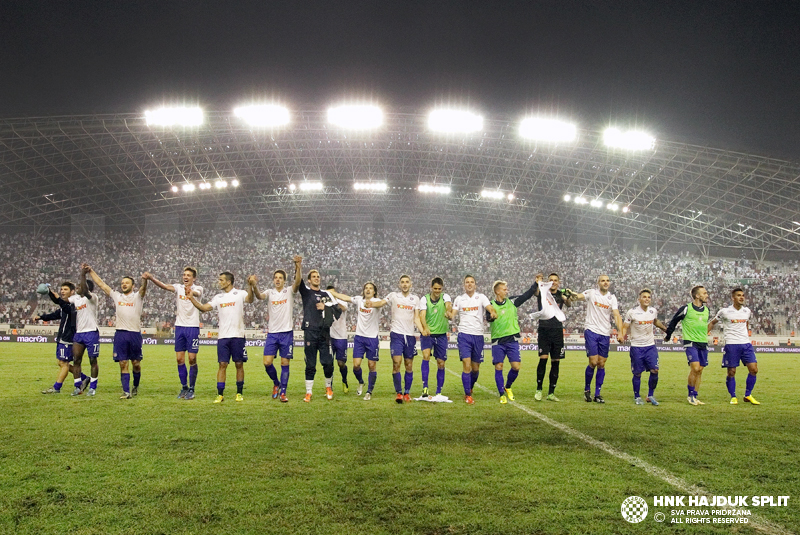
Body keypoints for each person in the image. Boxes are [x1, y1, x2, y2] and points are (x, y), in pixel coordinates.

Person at [186, 272, 254, 403]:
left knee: (239, 364)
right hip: (223, 337)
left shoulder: (240, 293)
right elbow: (204, 308)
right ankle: (220, 394)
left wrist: (250, 286)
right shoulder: (218, 297)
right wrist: (191, 299)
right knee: (222, 364)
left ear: (228, 282)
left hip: (238, 336)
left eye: (221, 280)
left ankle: (239, 393)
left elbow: (250, 299)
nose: (219, 282)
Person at [87, 266, 148, 399]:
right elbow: (102, 285)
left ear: (132, 285)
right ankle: (126, 392)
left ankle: (135, 386)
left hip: (134, 334)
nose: (124, 284)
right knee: (123, 363)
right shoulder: (117, 296)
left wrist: (144, 280)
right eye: (122, 283)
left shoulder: (137, 297)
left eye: (126, 282)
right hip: (120, 334)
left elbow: (143, 289)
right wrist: (91, 271)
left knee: (136, 364)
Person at [144, 267, 204, 400]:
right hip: (180, 327)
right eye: (184, 274)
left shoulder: (198, 288)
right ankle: (184, 387)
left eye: (188, 275)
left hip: (192, 327)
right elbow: (165, 286)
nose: (185, 277)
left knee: (192, 359)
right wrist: (151, 278)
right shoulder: (178, 288)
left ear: (194, 278)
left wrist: (191, 292)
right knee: (179, 359)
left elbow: (197, 294)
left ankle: (192, 388)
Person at [250, 257, 302, 403]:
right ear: (273, 280)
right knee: (267, 362)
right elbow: (259, 296)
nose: (278, 280)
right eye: (276, 278)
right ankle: (276, 383)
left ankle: (283, 392)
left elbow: (297, 282)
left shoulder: (289, 291)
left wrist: (298, 266)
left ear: (284, 280)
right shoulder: (270, 292)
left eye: (280, 278)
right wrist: (254, 286)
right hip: (272, 333)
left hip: (286, 332)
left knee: (285, 363)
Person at [327, 282, 387, 400]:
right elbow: (346, 298)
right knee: (356, 366)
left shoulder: (377, 301)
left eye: (370, 288)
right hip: (359, 338)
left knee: (371, 365)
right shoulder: (359, 300)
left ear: (374, 291)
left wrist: (373, 304)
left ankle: (369, 391)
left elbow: (380, 303)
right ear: (363, 290)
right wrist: (332, 293)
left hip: (372, 338)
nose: (368, 290)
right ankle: (361, 382)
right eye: (366, 288)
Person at [294, 258, 342, 402]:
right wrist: (298, 266)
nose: (316, 278)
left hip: (324, 333)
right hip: (310, 332)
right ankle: (309, 392)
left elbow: (338, 311)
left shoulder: (326, 295)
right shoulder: (306, 292)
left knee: (327, 362)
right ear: (309, 280)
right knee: (310, 363)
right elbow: (297, 281)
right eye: (313, 277)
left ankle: (328, 387)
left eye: (318, 276)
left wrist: (325, 307)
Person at [571, 275, 623, 403]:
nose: (605, 283)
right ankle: (587, 390)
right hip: (591, 330)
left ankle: (597, 394)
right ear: (598, 283)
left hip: (605, 333)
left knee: (601, 363)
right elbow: (578, 297)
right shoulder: (591, 293)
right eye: (602, 281)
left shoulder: (612, 298)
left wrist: (620, 332)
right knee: (593, 362)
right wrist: (572, 294)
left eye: (607, 281)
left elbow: (616, 315)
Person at [487, 280, 537, 403]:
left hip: (512, 339)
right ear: (497, 291)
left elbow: (526, 295)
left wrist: (536, 283)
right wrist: (491, 317)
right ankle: (501, 394)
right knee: (499, 366)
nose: (507, 291)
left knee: (516, 367)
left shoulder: (512, 301)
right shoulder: (490, 304)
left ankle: (507, 386)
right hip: (498, 340)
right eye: (504, 289)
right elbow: (488, 317)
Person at [708, 288, 760, 405]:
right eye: (738, 295)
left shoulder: (747, 311)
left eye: (743, 295)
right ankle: (733, 396)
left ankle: (748, 395)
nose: (742, 297)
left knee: (754, 369)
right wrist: (703, 335)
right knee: (731, 372)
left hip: (746, 344)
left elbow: (745, 324)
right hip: (732, 344)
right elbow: (712, 322)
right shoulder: (724, 312)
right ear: (733, 298)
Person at [450, 275, 497, 404]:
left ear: (475, 285)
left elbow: (489, 308)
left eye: (471, 282)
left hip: (478, 336)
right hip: (464, 334)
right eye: (467, 282)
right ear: (464, 285)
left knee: (475, 369)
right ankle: (467, 395)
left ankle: (470, 387)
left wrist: (492, 312)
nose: (469, 284)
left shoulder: (481, 297)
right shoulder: (459, 299)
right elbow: (453, 313)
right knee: (466, 364)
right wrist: (449, 315)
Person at [664, 285, 711, 406]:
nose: (707, 295)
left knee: (700, 370)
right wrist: (669, 334)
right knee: (695, 368)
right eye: (704, 293)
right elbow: (674, 320)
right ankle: (690, 395)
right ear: (697, 295)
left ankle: (695, 396)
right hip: (690, 342)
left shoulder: (707, 310)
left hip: (703, 342)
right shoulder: (686, 308)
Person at [619, 288, 667, 406]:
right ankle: (637, 396)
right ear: (639, 299)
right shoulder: (632, 312)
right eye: (644, 297)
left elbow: (655, 321)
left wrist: (665, 329)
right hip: (637, 347)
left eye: (649, 297)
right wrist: (621, 335)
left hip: (650, 346)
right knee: (637, 373)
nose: (647, 299)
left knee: (655, 370)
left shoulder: (652, 311)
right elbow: (625, 326)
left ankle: (650, 395)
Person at [381, 275, 423, 403]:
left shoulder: (415, 299)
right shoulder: (394, 296)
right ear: (399, 285)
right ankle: (399, 392)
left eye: (407, 282)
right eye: (402, 282)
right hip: (396, 334)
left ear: (411, 284)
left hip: (409, 336)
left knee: (409, 365)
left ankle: (407, 393)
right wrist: (371, 303)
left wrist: (423, 330)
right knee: (396, 363)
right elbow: (382, 302)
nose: (405, 284)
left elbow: (416, 318)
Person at [532, 273, 573, 401]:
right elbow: (535, 292)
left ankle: (551, 393)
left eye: (555, 280)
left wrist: (568, 298)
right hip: (544, 329)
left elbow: (569, 304)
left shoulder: (561, 294)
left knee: (556, 361)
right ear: (548, 282)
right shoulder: (543, 292)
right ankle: (539, 390)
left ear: (558, 282)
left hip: (557, 331)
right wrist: (537, 282)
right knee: (543, 359)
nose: (553, 282)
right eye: (551, 280)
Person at [34, 282, 79, 394]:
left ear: (72, 292)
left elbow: (65, 308)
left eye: (65, 289)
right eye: (61, 289)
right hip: (63, 337)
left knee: (63, 363)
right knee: (62, 362)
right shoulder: (65, 305)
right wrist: (41, 317)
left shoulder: (74, 303)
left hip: (68, 337)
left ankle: (56, 388)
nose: (62, 291)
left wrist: (56, 297)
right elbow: (55, 315)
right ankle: (83, 377)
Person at [418, 277, 452, 398]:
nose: (437, 291)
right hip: (428, 334)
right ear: (431, 288)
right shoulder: (424, 299)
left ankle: (439, 391)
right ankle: (425, 388)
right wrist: (425, 327)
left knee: (441, 363)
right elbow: (422, 315)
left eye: (439, 289)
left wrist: (448, 311)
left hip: (442, 335)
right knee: (426, 356)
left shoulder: (445, 297)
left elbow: (448, 305)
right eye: (435, 288)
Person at [70, 265, 100, 396]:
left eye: (79, 286)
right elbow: (62, 300)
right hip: (79, 333)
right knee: (76, 360)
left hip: (91, 332)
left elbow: (86, 291)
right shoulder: (76, 300)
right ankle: (78, 387)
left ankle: (93, 387)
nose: (77, 288)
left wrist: (83, 274)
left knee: (93, 360)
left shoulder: (93, 298)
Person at [326, 284, 351, 394]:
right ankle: (329, 387)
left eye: (332, 293)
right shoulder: (325, 304)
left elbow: (344, 308)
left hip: (341, 337)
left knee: (341, 363)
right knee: (329, 363)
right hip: (329, 337)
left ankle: (344, 380)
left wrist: (334, 300)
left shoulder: (342, 302)